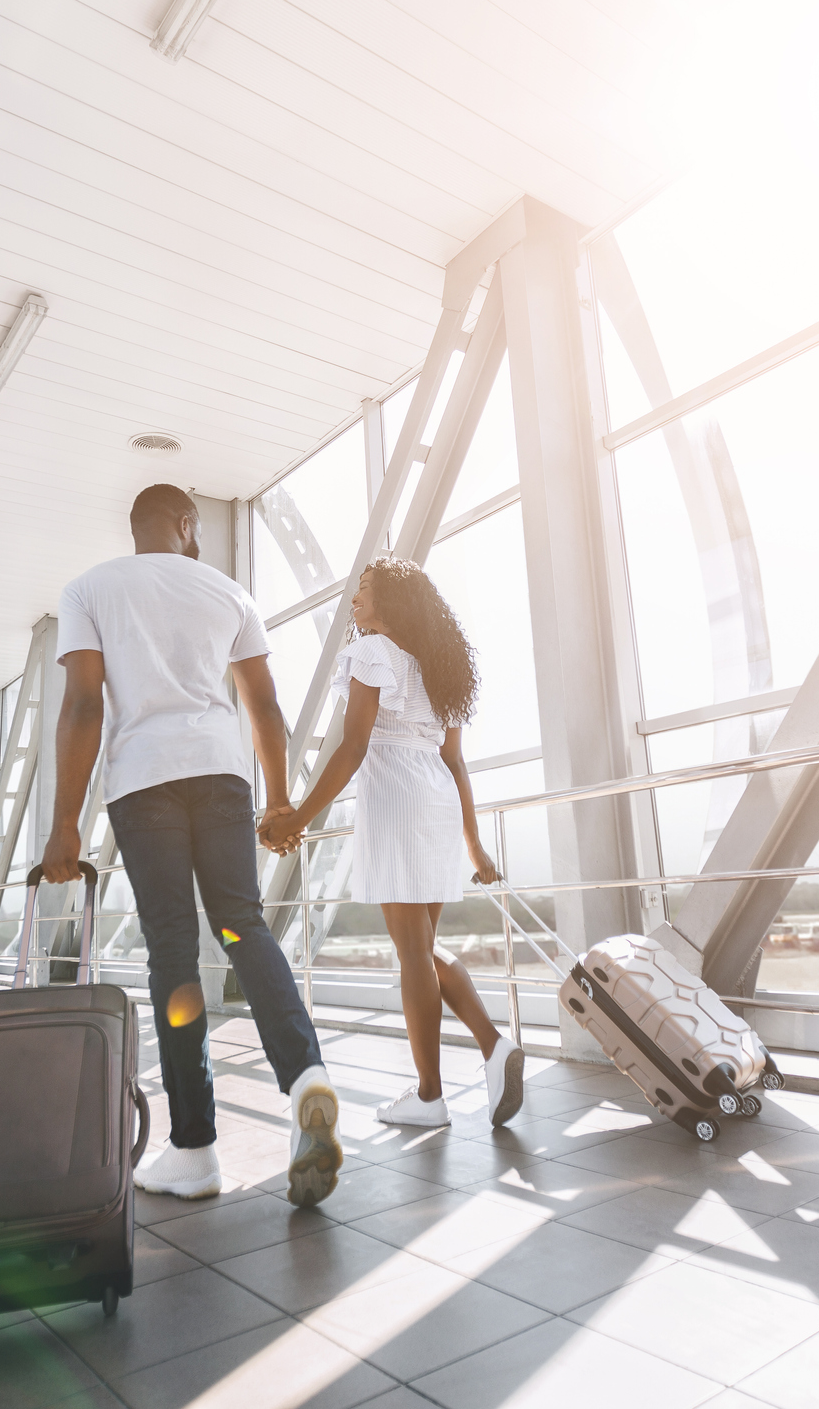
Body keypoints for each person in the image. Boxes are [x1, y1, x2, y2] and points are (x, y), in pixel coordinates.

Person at [41, 485, 341, 1207]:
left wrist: (63, 822)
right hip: (221, 772)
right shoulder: (228, 591)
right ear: (183, 524)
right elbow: (263, 704)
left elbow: (83, 704)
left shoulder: (89, 590)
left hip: (144, 782)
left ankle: (195, 1151)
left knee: (172, 950)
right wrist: (277, 799)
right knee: (242, 923)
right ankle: (305, 1076)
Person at [260, 558, 522, 1129]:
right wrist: (474, 846)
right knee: (423, 949)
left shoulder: (374, 653)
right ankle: (494, 1049)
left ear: (393, 603)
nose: (355, 600)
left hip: (399, 801)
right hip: (435, 801)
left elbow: (353, 748)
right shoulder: (442, 668)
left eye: (365, 590)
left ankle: (431, 1095)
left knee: (412, 954)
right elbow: (454, 763)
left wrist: (298, 818)